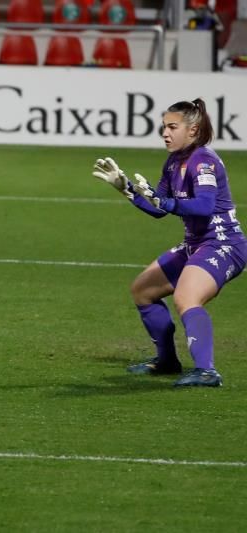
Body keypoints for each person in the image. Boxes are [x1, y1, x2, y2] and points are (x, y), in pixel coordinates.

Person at [92, 98, 247, 387]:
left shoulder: (203, 160)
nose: (165, 132)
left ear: (193, 130)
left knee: (187, 298)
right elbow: (160, 208)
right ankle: (166, 361)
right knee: (143, 290)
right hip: (196, 243)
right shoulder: (174, 161)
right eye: (164, 126)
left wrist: (164, 200)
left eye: (172, 127)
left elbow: (203, 206)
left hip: (223, 243)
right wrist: (127, 189)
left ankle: (206, 371)